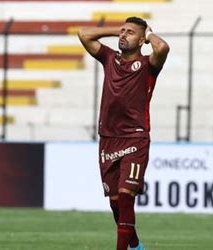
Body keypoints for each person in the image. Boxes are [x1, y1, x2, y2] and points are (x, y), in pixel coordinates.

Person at [78, 17, 169, 250]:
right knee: (116, 203)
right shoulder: (109, 58)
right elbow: (83, 34)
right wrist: (115, 29)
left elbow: (162, 47)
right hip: (108, 138)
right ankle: (136, 245)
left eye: (130, 33)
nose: (123, 35)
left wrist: (148, 34)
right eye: (123, 31)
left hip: (135, 138)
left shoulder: (149, 64)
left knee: (126, 194)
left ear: (141, 40)